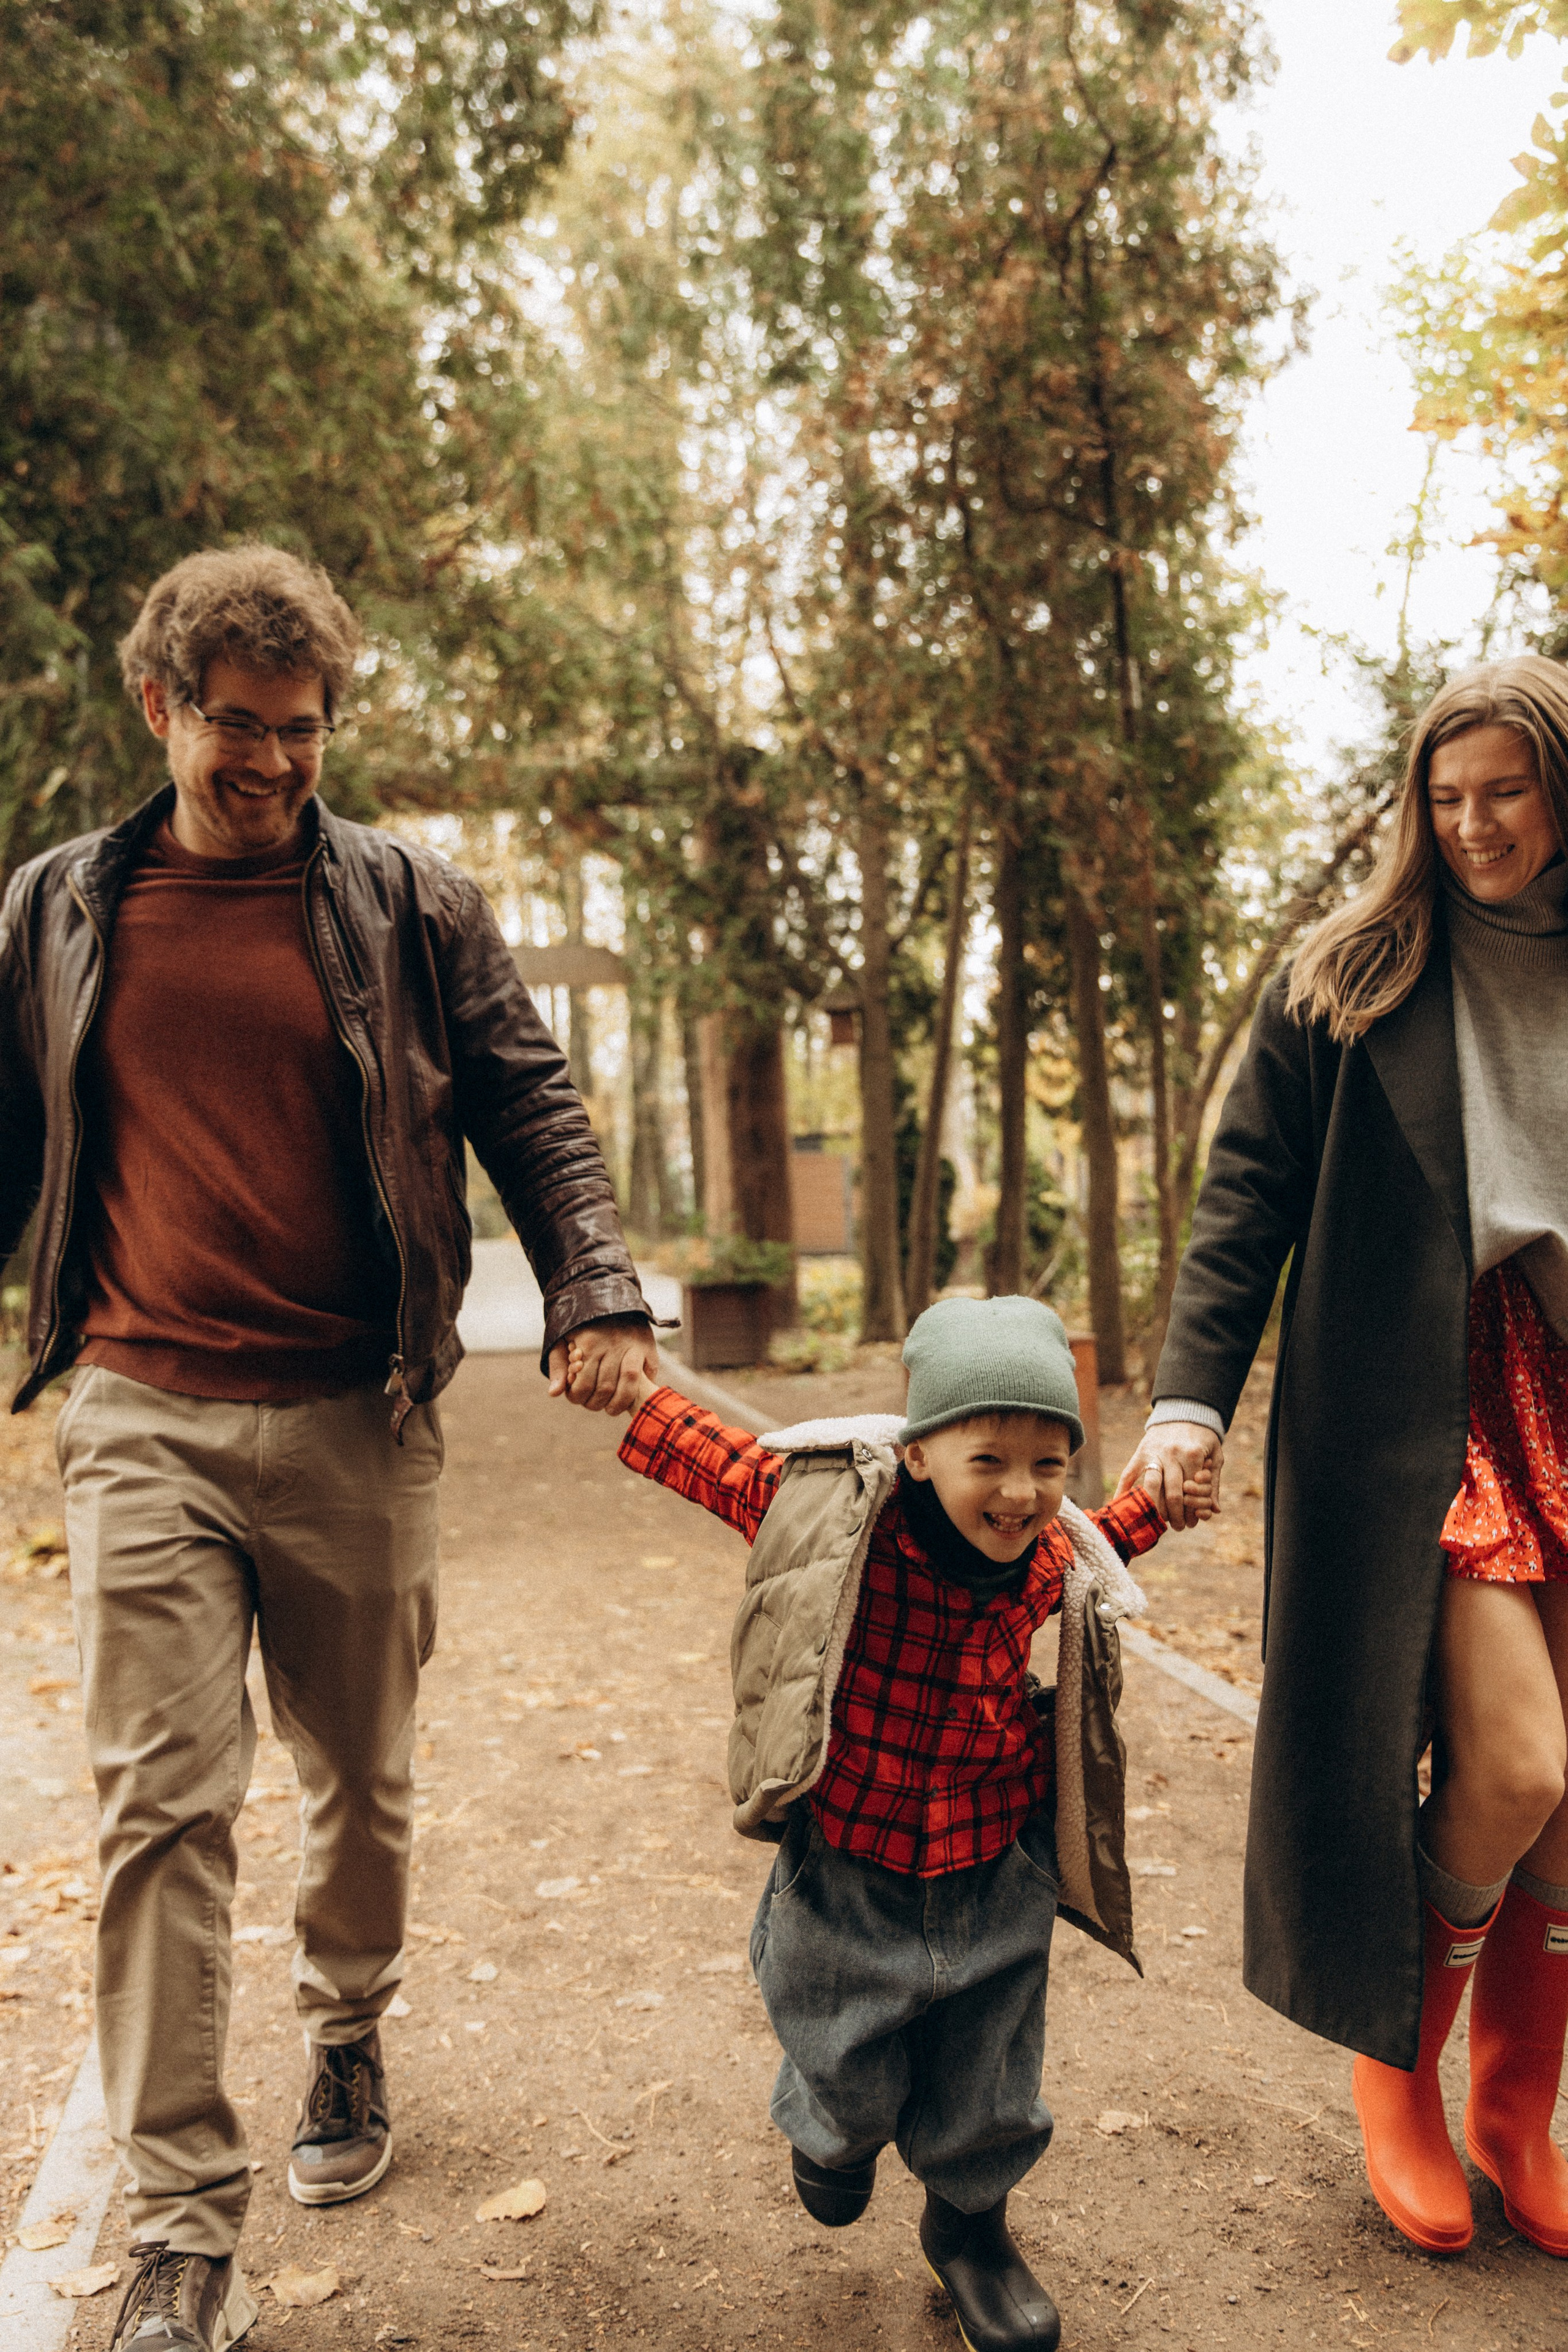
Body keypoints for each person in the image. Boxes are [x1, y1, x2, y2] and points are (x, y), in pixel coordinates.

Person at [0, 544, 660, 2352]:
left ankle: (346, 2025)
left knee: (357, 1783)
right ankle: (182, 2224)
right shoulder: (59, 905)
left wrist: (594, 1286)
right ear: (159, 708)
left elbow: (528, 1095)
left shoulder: (404, 904)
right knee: (157, 1807)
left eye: (305, 732)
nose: (277, 765)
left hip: (356, 1411)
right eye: (241, 728)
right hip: (142, 1408)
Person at [1118, 654, 1568, 2259]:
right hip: (1423, 1403)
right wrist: (1189, 1403)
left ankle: (1521, 2101)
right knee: (1515, 1765)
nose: (1473, 828)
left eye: (1503, 791)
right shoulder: (1350, 978)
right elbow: (1244, 1205)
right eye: (1444, 801)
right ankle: (1403, 2065)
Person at [605, 1295, 1205, 2352]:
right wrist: (634, 1392)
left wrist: (1163, 1493)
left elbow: (1107, 1542)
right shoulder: (844, 1526)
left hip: (992, 1865)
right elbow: (726, 1465)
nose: (1021, 1493)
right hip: (850, 1865)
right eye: (990, 1459)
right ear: (920, 1453)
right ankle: (833, 2132)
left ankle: (971, 2225)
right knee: (846, 2059)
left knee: (992, 2076)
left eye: (1048, 1464)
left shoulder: (1051, 1557)